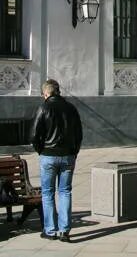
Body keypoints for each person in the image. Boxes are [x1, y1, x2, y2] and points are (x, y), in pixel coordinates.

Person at [31, 79, 82, 243]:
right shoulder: (71, 108)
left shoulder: (44, 107)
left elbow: (34, 135)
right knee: (65, 192)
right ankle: (64, 231)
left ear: (46, 93)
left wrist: (40, 150)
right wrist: (74, 152)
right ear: (58, 91)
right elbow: (79, 133)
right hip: (68, 155)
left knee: (47, 193)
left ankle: (50, 230)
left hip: (48, 155)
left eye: (43, 94)